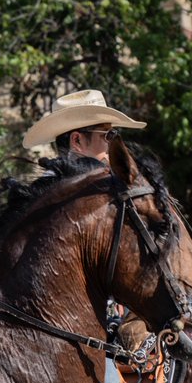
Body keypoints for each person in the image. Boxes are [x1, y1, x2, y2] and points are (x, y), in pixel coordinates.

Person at [23, 88, 149, 351]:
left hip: (89, 324)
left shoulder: (88, 195)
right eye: (107, 136)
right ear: (78, 141)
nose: (112, 146)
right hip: (56, 333)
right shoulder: (49, 199)